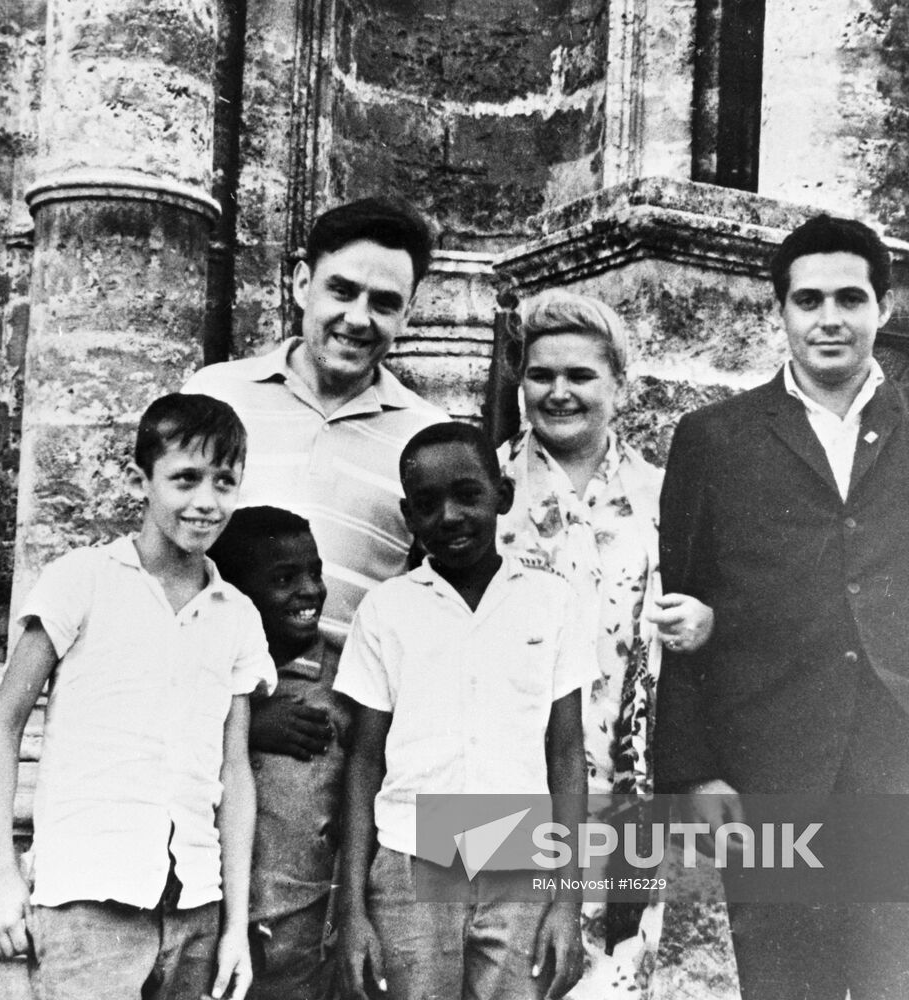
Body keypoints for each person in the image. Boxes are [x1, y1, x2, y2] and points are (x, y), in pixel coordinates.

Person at [654, 214, 909, 999]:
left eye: (848, 298)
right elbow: (684, 613)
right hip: (773, 770)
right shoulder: (714, 440)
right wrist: (694, 770)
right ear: (780, 312)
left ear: (882, 308)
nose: (828, 319)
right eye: (807, 300)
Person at [0, 394, 276, 1000]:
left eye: (225, 481)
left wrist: (234, 926)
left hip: (194, 902)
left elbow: (234, 771)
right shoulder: (81, 580)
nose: (206, 502)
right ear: (140, 480)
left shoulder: (237, 614)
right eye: (185, 479)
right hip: (89, 898)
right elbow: (2, 726)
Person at [495, 290, 714, 994]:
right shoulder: (482, 492)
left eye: (581, 375)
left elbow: (720, 620)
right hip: (506, 797)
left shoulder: (664, 496)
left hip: (627, 800)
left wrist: (705, 622)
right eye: (540, 374)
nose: (558, 392)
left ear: (619, 386)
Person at [335, 421, 590, 1000]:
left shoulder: (551, 601)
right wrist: (352, 911)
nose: (448, 516)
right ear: (408, 515)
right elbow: (364, 761)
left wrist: (568, 903)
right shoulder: (387, 610)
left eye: (467, 495)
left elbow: (567, 753)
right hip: (412, 856)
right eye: (427, 505)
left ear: (502, 495)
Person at [182, 196, 446, 654]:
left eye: (384, 303)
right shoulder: (215, 396)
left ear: (407, 313)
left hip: (342, 705)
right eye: (342, 291)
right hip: (206, 681)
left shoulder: (429, 439)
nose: (359, 319)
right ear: (303, 283)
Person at [207, 507, 348, 1000]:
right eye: (285, 579)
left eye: (315, 573)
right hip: (210, 926)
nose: (309, 590)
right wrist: (245, 725)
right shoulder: (205, 666)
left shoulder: (345, 677)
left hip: (304, 938)